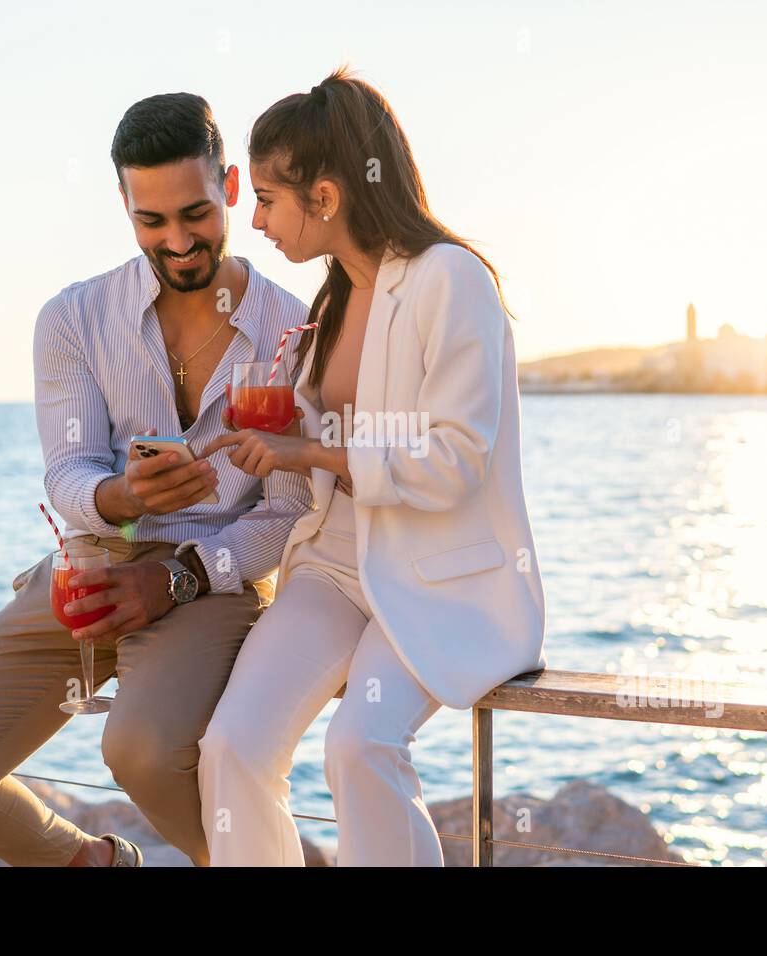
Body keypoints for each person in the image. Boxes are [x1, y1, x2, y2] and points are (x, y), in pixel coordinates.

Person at [0, 91, 312, 867]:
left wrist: (180, 578)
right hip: (91, 569)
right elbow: (70, 469)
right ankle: (96, 865)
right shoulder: (74, 318)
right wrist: (120, 499)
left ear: (230, 188)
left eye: (195, 214)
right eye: (152, 222)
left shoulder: (295, 332)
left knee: (144, 751)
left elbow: (288, 514)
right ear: (123, 204)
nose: (178, 242)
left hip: (212, 585)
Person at [196, 66, 546, 866]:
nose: (255, 221)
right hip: (332, 565)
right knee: (232, 748)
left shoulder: (450, 280)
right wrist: (251, 435)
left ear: (326, 197)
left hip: (433, 576)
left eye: (270, 201)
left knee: (359, 748)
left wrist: (312, 449)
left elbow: (454, 459)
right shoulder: (335, 299)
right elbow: (326, 432)